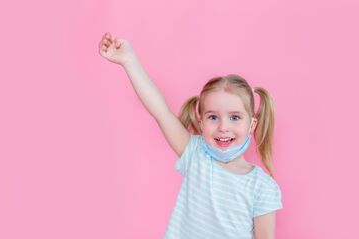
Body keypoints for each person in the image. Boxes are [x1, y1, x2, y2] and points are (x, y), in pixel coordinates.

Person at [98, 32, 283, 239]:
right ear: (201, 122)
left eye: (235, 117)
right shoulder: (195, 154)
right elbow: (160, 111)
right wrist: (129, 61)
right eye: (213, 117)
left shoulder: (263, 187)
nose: (223, 127)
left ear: (252, 124)